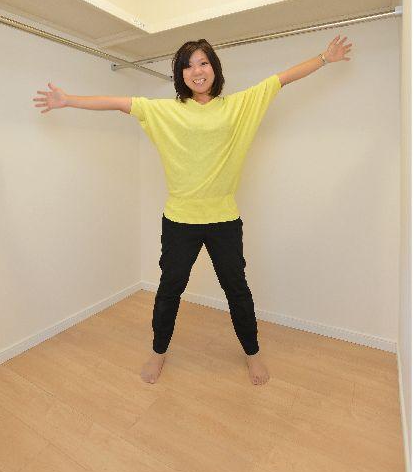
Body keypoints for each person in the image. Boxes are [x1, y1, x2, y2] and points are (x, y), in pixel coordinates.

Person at [34, 35, 352, 386]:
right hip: (179, 222)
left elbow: (282, 78)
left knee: (237, 290)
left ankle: (252, 353)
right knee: (169, 290)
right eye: (187, 66)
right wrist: (68, 101)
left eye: (202, 63)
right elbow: (116, 102)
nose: (196, 71)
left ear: (214, 68)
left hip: (224, 220)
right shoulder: (165, 111)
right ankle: (158, 353)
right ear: (180, 75)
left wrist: (325, 57)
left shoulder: (240, 105)